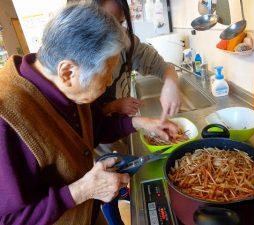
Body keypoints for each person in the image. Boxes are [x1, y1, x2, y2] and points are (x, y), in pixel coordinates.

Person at [0, 3, 179, 225]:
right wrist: (82, 190)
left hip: (89, 212)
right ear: (67, 72)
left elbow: (96, 128)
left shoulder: (65, 86)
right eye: (105, 75)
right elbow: (8, 219)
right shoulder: (7, 118)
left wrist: (143, 123)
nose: (108, 83)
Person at [68, 0, 181, 121]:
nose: (117, 32)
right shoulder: (77, 59)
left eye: (120, 22)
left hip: (122, 126)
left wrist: (171, 84)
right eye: (108, 22)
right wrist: (112, 107)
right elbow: (86, 120)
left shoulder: (126, 40)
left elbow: (162, 67)